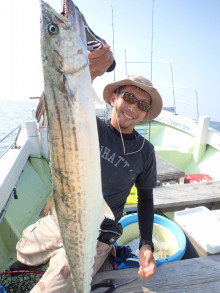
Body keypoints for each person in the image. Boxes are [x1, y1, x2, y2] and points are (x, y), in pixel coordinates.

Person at [16, 44, 163, 292]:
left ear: (146, 114)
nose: (133, 107)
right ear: (114, 97)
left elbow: (145, 199)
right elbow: (54, 111)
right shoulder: (88, 126)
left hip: (98, 228)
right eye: (128, 97)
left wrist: (146, 244)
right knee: (21, 252)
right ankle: (67, 253)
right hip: (64, 216)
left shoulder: (145, 151)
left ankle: (96, 253)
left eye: (143, 105)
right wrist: (90, 72)